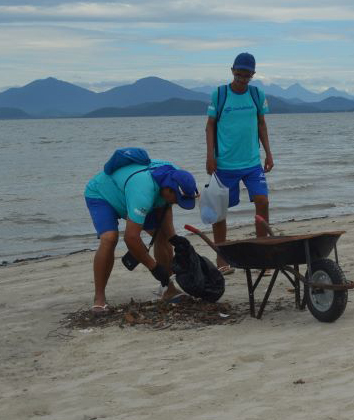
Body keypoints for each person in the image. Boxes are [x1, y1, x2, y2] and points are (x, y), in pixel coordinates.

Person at [84, 151, 199, 313]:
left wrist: (174, 238)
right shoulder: (143, 190)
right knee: (110, 238)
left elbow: (164, 209)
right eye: (177, 199)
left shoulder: (175, 175)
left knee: (163, 238)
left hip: (133, 195)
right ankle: (99, 298)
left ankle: (168, 288)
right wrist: (154, 267)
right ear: (169, 190)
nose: (177, 203)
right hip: (103, 195)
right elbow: (131, 238)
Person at [206, 52, 274, 272]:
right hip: (225, 164)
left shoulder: (257, 94)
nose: (242, 79)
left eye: (247, 76)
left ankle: (263, 252)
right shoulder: (220, 94)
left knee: (262, 201)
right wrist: (210, 156)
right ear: (232, 71)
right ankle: (222, 258)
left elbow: (261, 124)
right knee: (220, 210)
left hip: (252, 163)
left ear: (253, 75)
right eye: (239, 74)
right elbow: (210, 126)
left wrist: (269, 153)